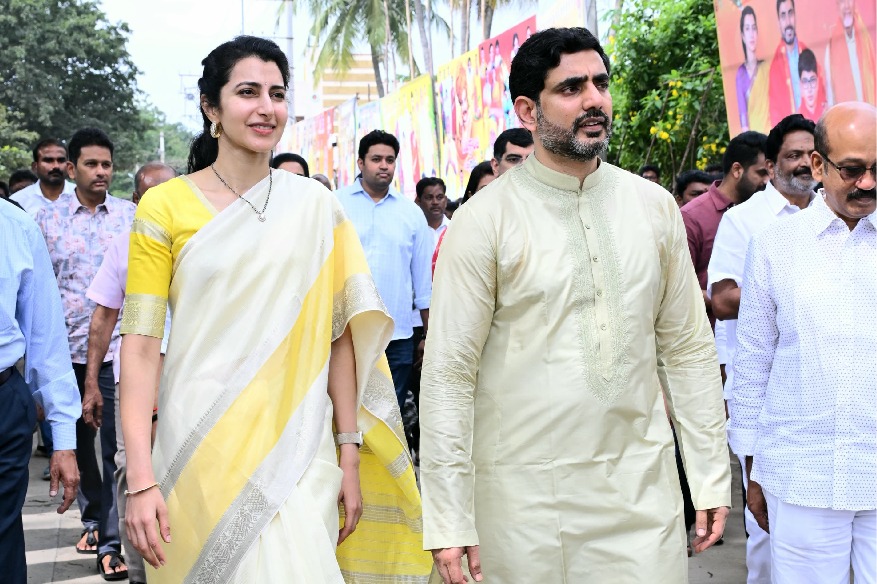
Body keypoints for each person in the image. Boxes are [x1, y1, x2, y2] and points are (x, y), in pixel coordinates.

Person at [420, 27, 731, 584]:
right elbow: (448, 374)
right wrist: (448, 515)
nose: (594, 100)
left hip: (641, 494)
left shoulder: (653, 207)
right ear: (528, 110)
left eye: (600, 84)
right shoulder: (484, 220)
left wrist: (709, 475)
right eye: (571, 88)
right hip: (524, 505)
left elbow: (687, 349)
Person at [119, 36, 430, 583]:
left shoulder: (315, 206)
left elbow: (339, 337)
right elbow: (142, 347)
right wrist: (140, 479)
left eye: (278, 94)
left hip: (300, 443)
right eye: (247, 92)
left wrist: (349, 452)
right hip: (199, 442)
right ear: (211, 107)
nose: (266, 108)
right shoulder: (163, 206)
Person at [730, 102, 876, 584]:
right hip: (801, 476)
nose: (868, 183)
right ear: (818, 165)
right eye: (852, 170)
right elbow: (753, 364)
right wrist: (752, 467)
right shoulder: (776, 245)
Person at [708, 113, 817, 584]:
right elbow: (723, 299)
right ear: (770, 165)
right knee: (766, 521)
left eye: (811, 155)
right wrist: (791, 292)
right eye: (792, 156)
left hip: (819, 388)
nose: (804, 164)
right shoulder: (743, 220)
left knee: (816, 519)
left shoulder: (836, 217)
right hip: (760, 387)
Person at [33, 127, 136, 578]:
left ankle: (111, 542)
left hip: (117, 352)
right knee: (76, 443)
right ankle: (93, 519)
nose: (100, 172)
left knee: (116, 446)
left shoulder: (130, 217)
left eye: (106, 164)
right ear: (72, 169)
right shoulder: (46, 222)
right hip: (63, 354)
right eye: (91, 164)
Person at [84, 161, 176, 584]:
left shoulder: (203, 240)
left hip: (192, 375)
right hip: (136, 378)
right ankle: (140, 572)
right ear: (136, 202)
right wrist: (92, 383)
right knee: (131, 469)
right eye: (152, 196)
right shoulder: (124, 246)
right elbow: (103, 318)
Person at [0, 200, 81, 584]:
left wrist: (63, 440)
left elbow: (45, 340)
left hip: (2, 402)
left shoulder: (15, 226)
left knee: (2, 541)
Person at [336, 130, 433, 413]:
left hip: (397, 334)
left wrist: (428, 335)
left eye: (390, 160)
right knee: (346, 412)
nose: (384, 166)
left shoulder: (411, 213)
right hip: (346, 332)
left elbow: (423, 285)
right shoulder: (336, 204)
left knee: (390, 415)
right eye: (376, 159)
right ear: (360, 162)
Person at [682, 131, 769, 329]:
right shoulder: (692, 217)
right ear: (737, 170)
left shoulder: (768, 213)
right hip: (711, 337)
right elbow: (678, 289)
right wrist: (723, 298)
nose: (767, 181)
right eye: (761, 173)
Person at [823, 0, 875, 106]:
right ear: (837, 6)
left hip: (871, 113)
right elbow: (831, 100)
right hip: (847, 115)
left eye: (849, 0)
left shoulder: (867, 39)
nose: (846, 6)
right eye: (842, 1)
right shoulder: (831, 50)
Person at [768, 0, 808, 126]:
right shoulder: (775, 67)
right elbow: (774, 114)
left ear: (795, 16)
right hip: (790, 132)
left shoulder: (806, 53)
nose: (788, 21)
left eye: (790, 13)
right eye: (783, 15)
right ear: (778, 22)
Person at [11, 138, 77, 215]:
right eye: (48, 160)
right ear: (35, 167)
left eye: (61, 160)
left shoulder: (82, 197)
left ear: (69, 166)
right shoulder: (18, 201)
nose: (56, 166)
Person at [736, 6, 767, 132]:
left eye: (754, 28)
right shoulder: (741, 74)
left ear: (757, 32)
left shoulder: (765, 68)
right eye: (747, 28)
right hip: (754, 137)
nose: (751, 34)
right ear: (743, 35)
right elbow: (743, 115)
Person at [797, 49, 827, 122]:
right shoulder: (796, 121)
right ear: (800, 86)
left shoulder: (828, 114)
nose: (809, 89)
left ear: (818, 82)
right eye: (805, 82)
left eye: (812, 80)